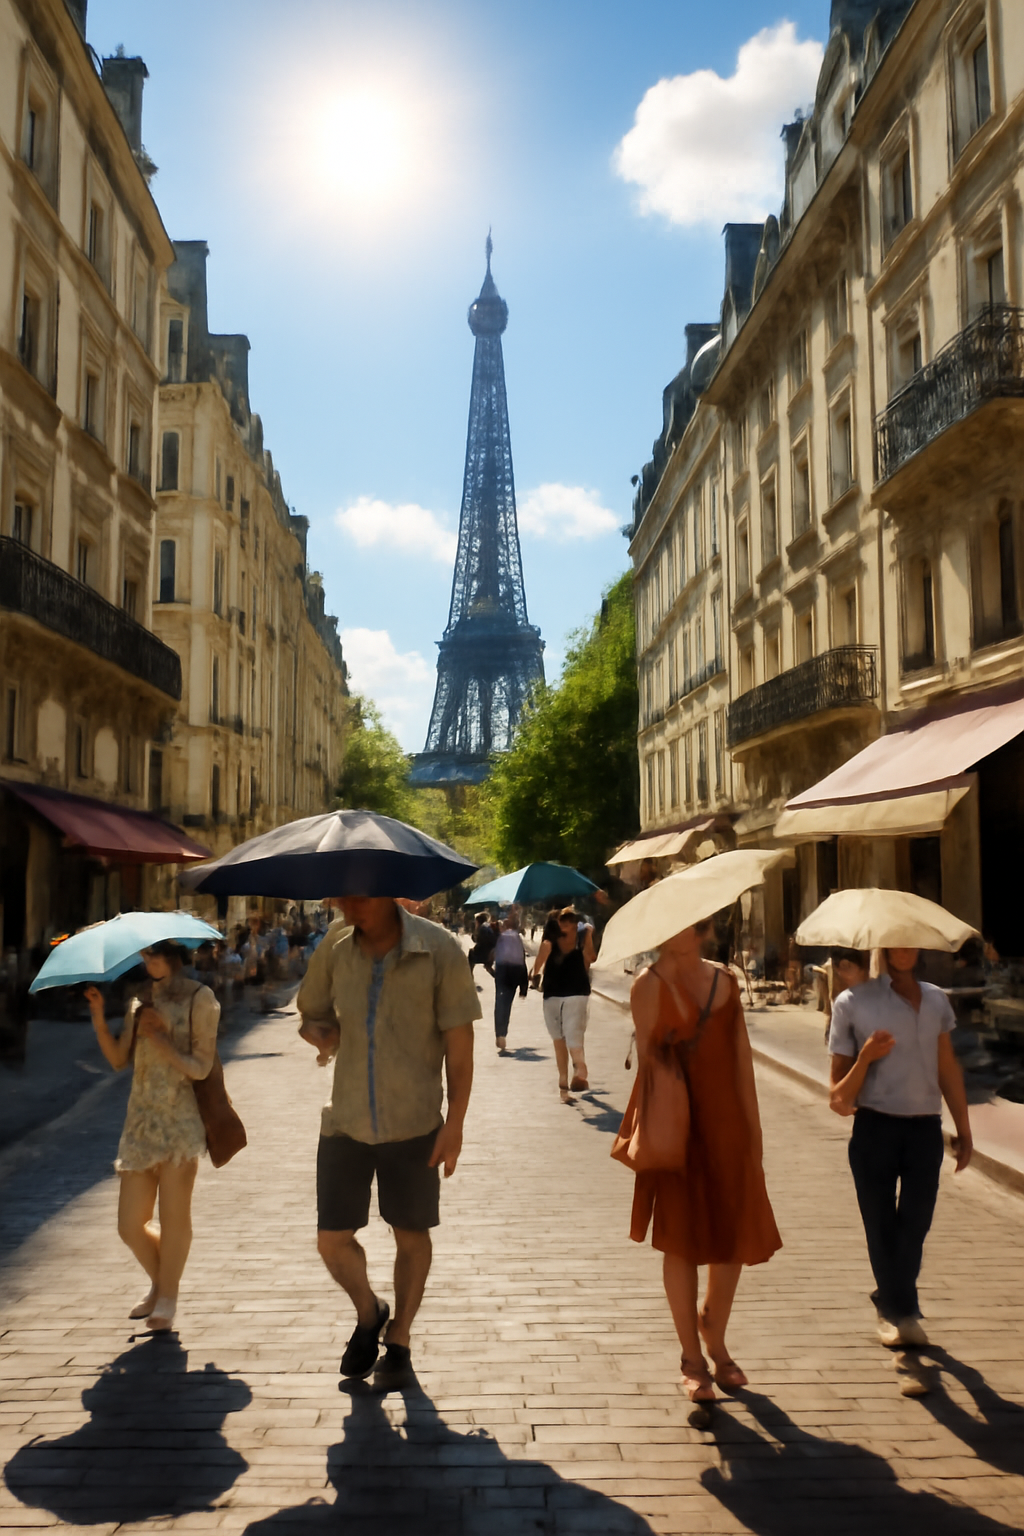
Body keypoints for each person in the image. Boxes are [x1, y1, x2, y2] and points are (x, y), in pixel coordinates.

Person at [297, 896, 480, 1386]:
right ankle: (369, 1311)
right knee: (331, 1241)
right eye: (342, 894)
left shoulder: (438, 950)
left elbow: (460, 1051)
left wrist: (455, 1123)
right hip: (346, 1120)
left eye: (357, 894)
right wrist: (319, 1033)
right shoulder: (334, 945)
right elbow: (310, 1012)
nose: (345, 904)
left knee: (411, 1234)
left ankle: (399, 1339)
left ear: (386, 891)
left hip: (415, 1121)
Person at [629, 916, 781, 1403]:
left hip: (726, 1123)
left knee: (732, 1238)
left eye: (696, 924)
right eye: (680, 923)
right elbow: (651, 1064)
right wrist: (668, 994)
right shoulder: (647, 985)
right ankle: (692, 1358)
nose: (689, 931)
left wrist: (753, 1134)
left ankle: (714, 1331)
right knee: (680, 1241)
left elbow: (741, 1059)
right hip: (677, 1129)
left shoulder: (726, 981)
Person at [829, 946, 973, 1367]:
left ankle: (890, 1301)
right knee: (881, 1226)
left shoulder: (936, 1000)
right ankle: (900, 1314)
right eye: (896, 941)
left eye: (911, 941)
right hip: (875, 1128)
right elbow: (837, 1097)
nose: (904, 949)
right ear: (883, 948)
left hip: (924, 1129)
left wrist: (963, 1129)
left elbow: (947, 1067)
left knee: (915, 1225)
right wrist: (867, 1058)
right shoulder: (853, 1003)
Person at [84, 941, 220, 1332]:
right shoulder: (139, 1000)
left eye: (156, 954)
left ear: (176, 956)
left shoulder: (201, 998)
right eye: (145, 956)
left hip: (181, 1123)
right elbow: (117, 1060)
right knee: (129, 1223)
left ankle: (167, 1298)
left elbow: (200, 1066)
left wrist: (162, 1040)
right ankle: (162, 1284)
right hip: (140, 1123)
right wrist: (97, 1016)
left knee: (174, 1217)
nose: (149, 962)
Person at [534, 908, 595, 1101]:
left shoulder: (580, 938)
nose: (566, 924)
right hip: (555, 995)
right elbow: (537, 968)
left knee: (570, 1036)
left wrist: (589, 936)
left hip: (574, 993)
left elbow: (591, 958)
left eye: (570, 920)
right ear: (556, 923)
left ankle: (579, 1070)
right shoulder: (550, 943)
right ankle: (566, 1084)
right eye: (562, 920)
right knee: (560, 1039)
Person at [492, 917, 529, 1053]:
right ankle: (503, 1034)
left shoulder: (500, 937)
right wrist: (523, 986)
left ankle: (499, 1033)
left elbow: (492, 953)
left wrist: (490, 967)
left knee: (499, 1001)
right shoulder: (518, 938)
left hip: (501, 971)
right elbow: (522, 960)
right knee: (507, 1003)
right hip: (514, 972)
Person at [467, 912, 497, 985]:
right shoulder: (487, 926)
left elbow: (480, 942)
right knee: (487, 966)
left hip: (484, 953)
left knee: (471, 955)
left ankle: (469, 977)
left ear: (478, 921)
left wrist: (475, 936)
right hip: (491, 952)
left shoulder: (482, 928)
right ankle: (499, 978)